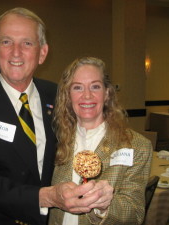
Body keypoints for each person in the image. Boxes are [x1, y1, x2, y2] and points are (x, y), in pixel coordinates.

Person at [0, 8, 106, 225]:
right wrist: (47, 197)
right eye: (6, 42)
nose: (16, 52)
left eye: (27, 43)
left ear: (42, 53)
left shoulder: (58, 95)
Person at [48, 57, 153, 225]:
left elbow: (135, 213)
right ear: (68, 95)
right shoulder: (54, 139)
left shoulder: (137, 146)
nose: (87, 95)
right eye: (77, 87)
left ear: (107, 93)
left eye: (95, 86)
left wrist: (105, 205)